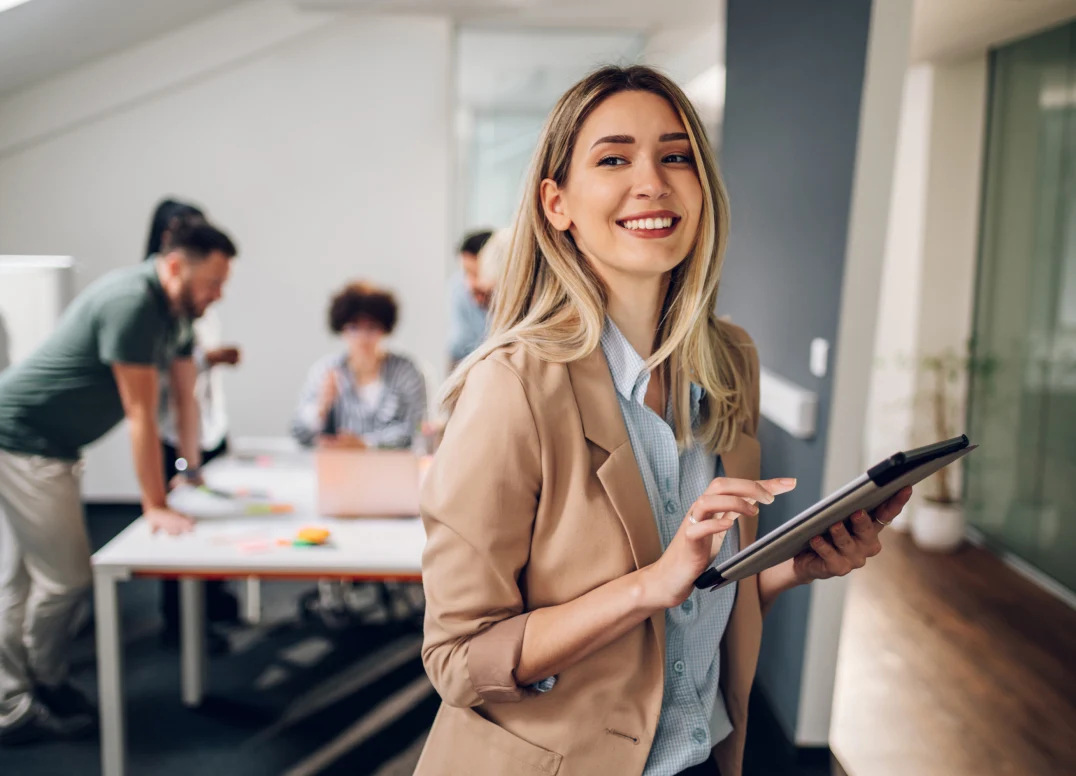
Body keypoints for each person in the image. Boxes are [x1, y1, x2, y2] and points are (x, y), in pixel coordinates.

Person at [416, 65, 912, 776]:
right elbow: (459, 660)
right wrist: (651, 582)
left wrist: (784, 569)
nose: (651, 181)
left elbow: (692, 608)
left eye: (676, 155)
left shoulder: (730, 358)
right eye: (613, 158)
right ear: (557, 204)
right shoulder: (512, 388)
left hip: (702, 755)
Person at [0, 220, 238, 745]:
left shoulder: (177, 315)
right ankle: (40, 689)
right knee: (65, 580)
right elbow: (141, 415)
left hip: (47, 443)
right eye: (212, 283)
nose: (218, 295)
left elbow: (181, 398)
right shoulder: (132, 301)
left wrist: (191, 473)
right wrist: (154, 504)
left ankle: (14, 698)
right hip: (21, 438)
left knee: (21, 579)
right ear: (175, 265)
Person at [291, 281, 428, 626]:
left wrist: (365, 445)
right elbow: (301, 433)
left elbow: (413, 431)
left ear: (385, 329)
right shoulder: (327, 372)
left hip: (392, 483)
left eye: (372, 328)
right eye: (354, 328)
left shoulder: (406, 371)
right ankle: (336, 601)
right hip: (342, 484)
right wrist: (322, 405)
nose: (363, 337)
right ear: (342, 329)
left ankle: (402, 597)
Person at [144, 199, 242, 651]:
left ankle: (209, 607)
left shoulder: (190, 308)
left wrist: (193, 458)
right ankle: (179, 625)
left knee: (208, 521)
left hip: (203, 428)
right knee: (177, 524)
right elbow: (155, 400)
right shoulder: (150, 307)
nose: (218, 293)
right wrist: (183, 461)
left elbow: (188, 392)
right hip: (175, 433)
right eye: (215, 283)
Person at [447, 230, 493, 368]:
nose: (470, 284)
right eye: (466, 273)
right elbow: (457, 349)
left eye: (476, 273)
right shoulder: (458, 288)